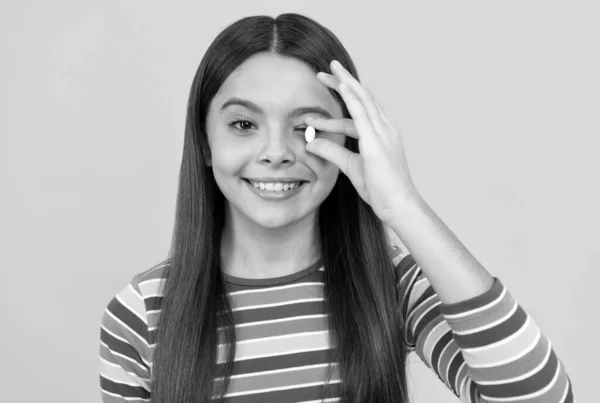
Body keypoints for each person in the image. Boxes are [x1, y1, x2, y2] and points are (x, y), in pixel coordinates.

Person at [98, 13, 576, 403]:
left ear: (350, 139)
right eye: (243, 124)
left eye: (307, 128)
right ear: (204, 142)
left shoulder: (390, 283)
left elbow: (539, 397)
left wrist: (402, 205)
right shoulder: (142, 312)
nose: (276, 152)